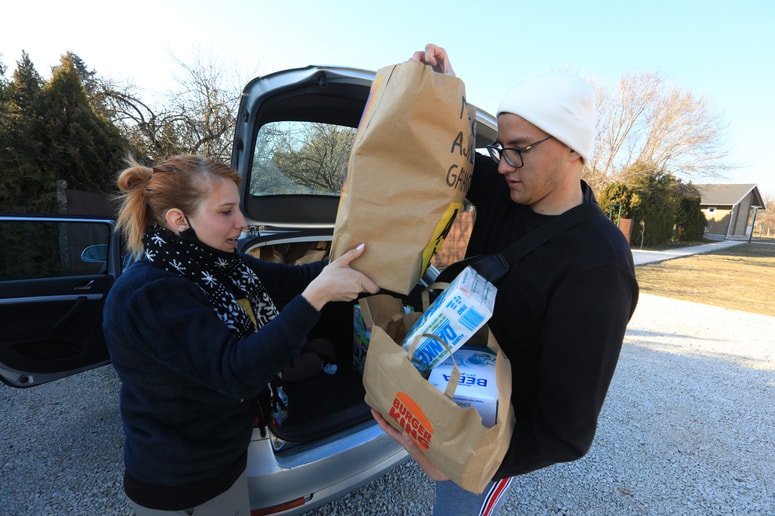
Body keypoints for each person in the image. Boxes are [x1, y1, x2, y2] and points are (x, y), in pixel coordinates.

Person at [373, 44, 639, 515]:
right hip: (449, 388)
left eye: (518, 150)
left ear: (573, 149)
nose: (501, 165)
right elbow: (453, 150)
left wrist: (459, 461)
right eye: (502, 146)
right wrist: (444, 89)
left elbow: (566, 432)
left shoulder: (599, 266)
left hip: (487, 440)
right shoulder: (508, 190)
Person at [103, 155, 378, 515]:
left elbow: (296, 279)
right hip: (181, 484)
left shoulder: (219, 263)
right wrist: (320, 295)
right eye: (226, 212)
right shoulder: (149, 293)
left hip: (225, 459)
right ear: (178, 220)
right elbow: (238, 373)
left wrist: (360, 254)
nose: (242, 224)